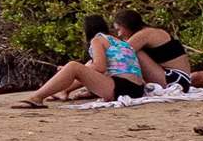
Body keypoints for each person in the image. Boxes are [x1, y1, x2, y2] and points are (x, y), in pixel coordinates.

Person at [21, 10, 156, 106]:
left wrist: (71, 70)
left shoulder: (97, 40)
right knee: (79, 66)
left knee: (73, 66)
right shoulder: (116, 41)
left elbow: (99, 67)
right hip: (137, 88)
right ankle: (61, 91)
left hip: (124, 88)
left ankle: (37, 97)